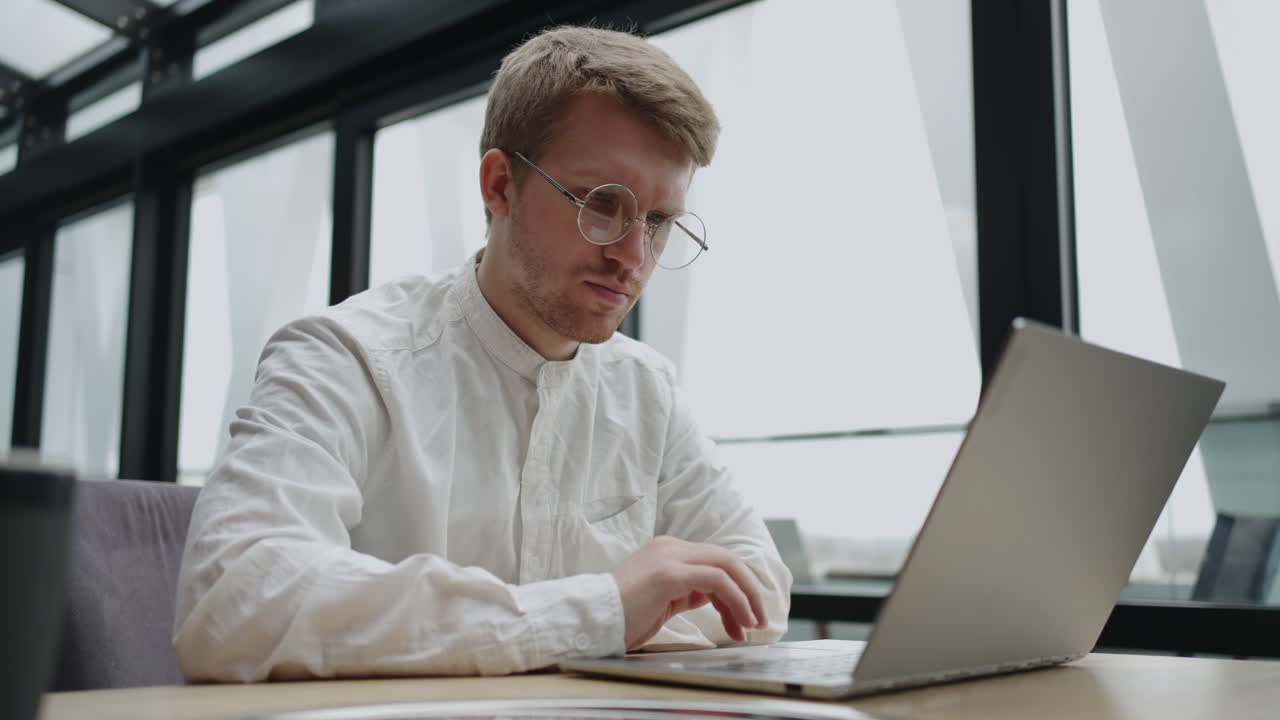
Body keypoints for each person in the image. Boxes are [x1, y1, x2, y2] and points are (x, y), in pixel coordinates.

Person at [174, 25, 791, 682]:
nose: (633, 257)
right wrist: (601, 611)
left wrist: (589, 619)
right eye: (603, 204)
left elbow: (755, 595)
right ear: (500, 186)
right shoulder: (344, 358)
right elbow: (235, 603)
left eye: (660, 221)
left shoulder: (649, 394)